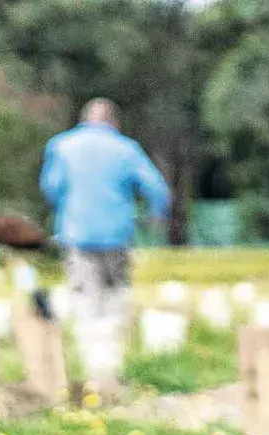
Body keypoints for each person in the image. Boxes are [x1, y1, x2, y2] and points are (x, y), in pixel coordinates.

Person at [38, 100, 169, 394]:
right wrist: (154, 216)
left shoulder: (61, 146)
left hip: (77, 234)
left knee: (85, 298)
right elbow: (156, 188)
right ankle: (110, 367)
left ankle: (91, 366)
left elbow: (51, 187)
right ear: (114, 122)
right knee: (114, 297)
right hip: (116, 236)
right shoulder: (126, 149)